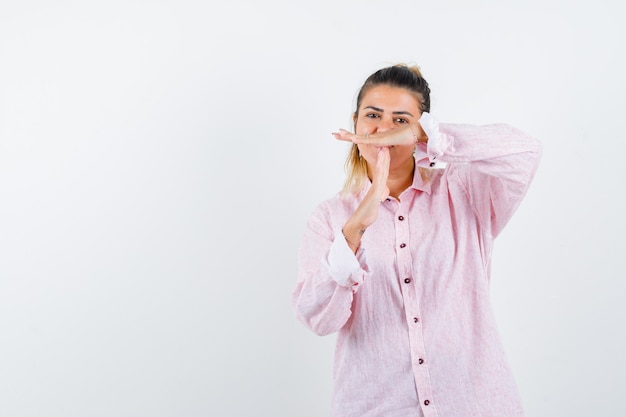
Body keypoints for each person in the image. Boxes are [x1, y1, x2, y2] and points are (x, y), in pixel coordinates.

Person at [291, 64, 541, 417]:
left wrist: (429, 139)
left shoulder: (463, 191)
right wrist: (358, 225)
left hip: (475, 404)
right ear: (356, 122)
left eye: (401, 120)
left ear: (420, 129)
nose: (384, 130)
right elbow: (317, 318)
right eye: (373, 116)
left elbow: (525, 152)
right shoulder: (329, 218)